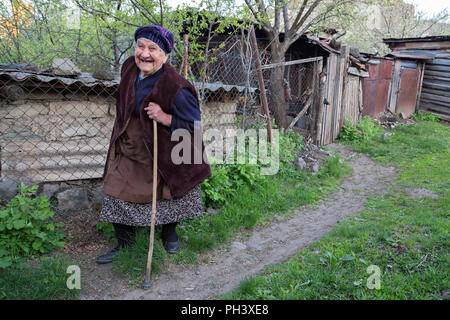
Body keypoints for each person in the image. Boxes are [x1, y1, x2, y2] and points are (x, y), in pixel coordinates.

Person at [96, 25, 211, 264]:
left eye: (153, 48)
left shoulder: (177, 87)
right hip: (130, 143)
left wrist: (165, 117)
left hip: (164, 150)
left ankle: (169, 234)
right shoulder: (129, 67)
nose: (145, 54)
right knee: (116, 190)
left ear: (165, 55)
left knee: (168, 195)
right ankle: (125, 244)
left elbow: (195, 127)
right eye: (140, 46)